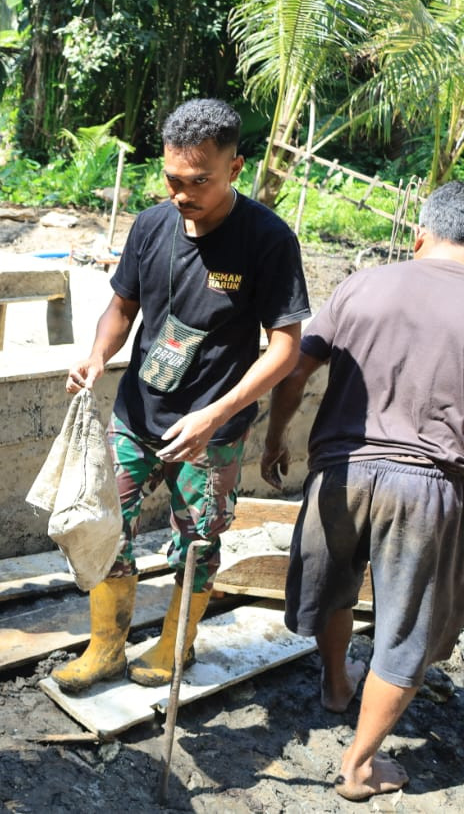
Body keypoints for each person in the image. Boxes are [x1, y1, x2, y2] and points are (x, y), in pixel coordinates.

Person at [54, 98, 310, 693]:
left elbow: (285, 349)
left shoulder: (267, 240)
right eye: (173, 178)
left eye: (200, 181)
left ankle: (176, 645)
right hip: (136, 413)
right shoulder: (150, 226)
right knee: (102, 524)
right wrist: (97, 355)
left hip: (211, 432)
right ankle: (106, 647)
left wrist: (217, 414)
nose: (182, 193)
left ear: (235, 168)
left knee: (196, 542)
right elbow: (122, 307)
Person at [260, 181, 464, 802]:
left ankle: (336, 685)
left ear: (421, 235)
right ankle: (358, 767)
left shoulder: (363, 285)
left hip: (340, 470)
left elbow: (295, 368)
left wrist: (276, 438)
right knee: (406, 630)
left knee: (334, 585)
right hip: (428, 485)